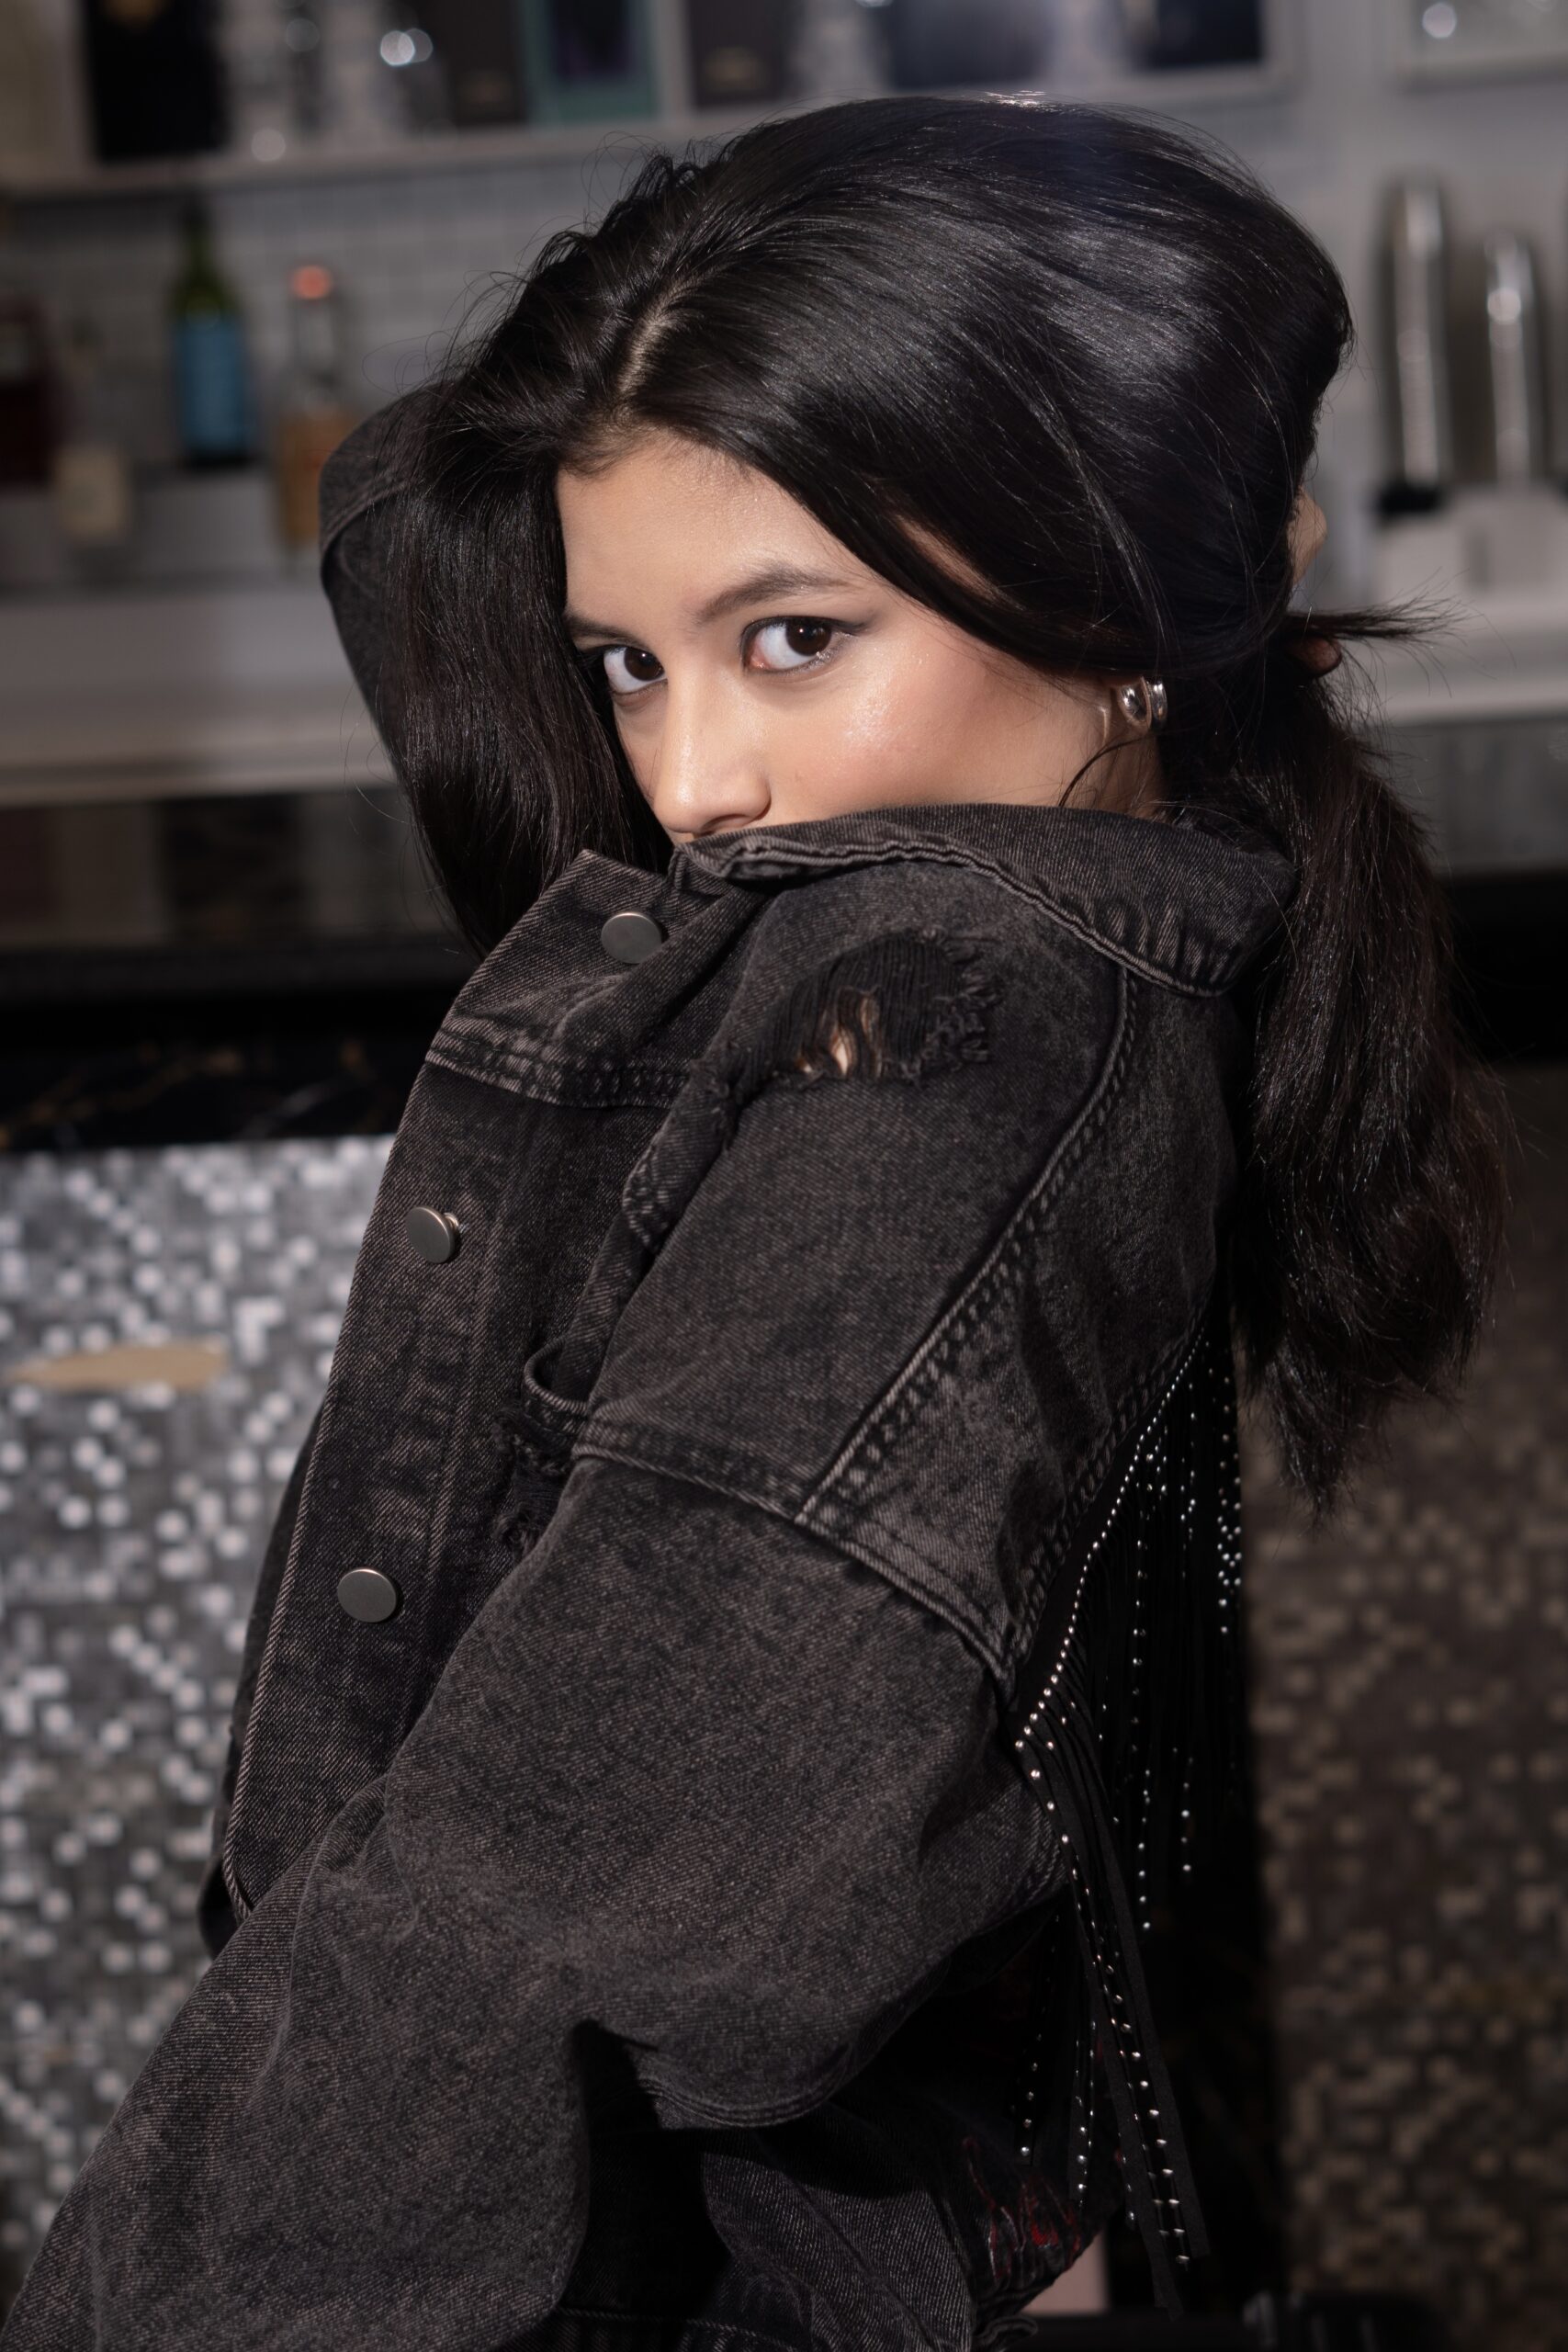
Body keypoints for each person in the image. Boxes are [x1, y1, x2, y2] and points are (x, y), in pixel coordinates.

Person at [1, 96, 1505, 2352]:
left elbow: (542, 1891)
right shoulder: (1025, 941)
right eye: (627, 660)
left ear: (1113, 600)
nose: (695, 780)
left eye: (792, 637)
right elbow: (412, 519)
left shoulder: (949, 1033)